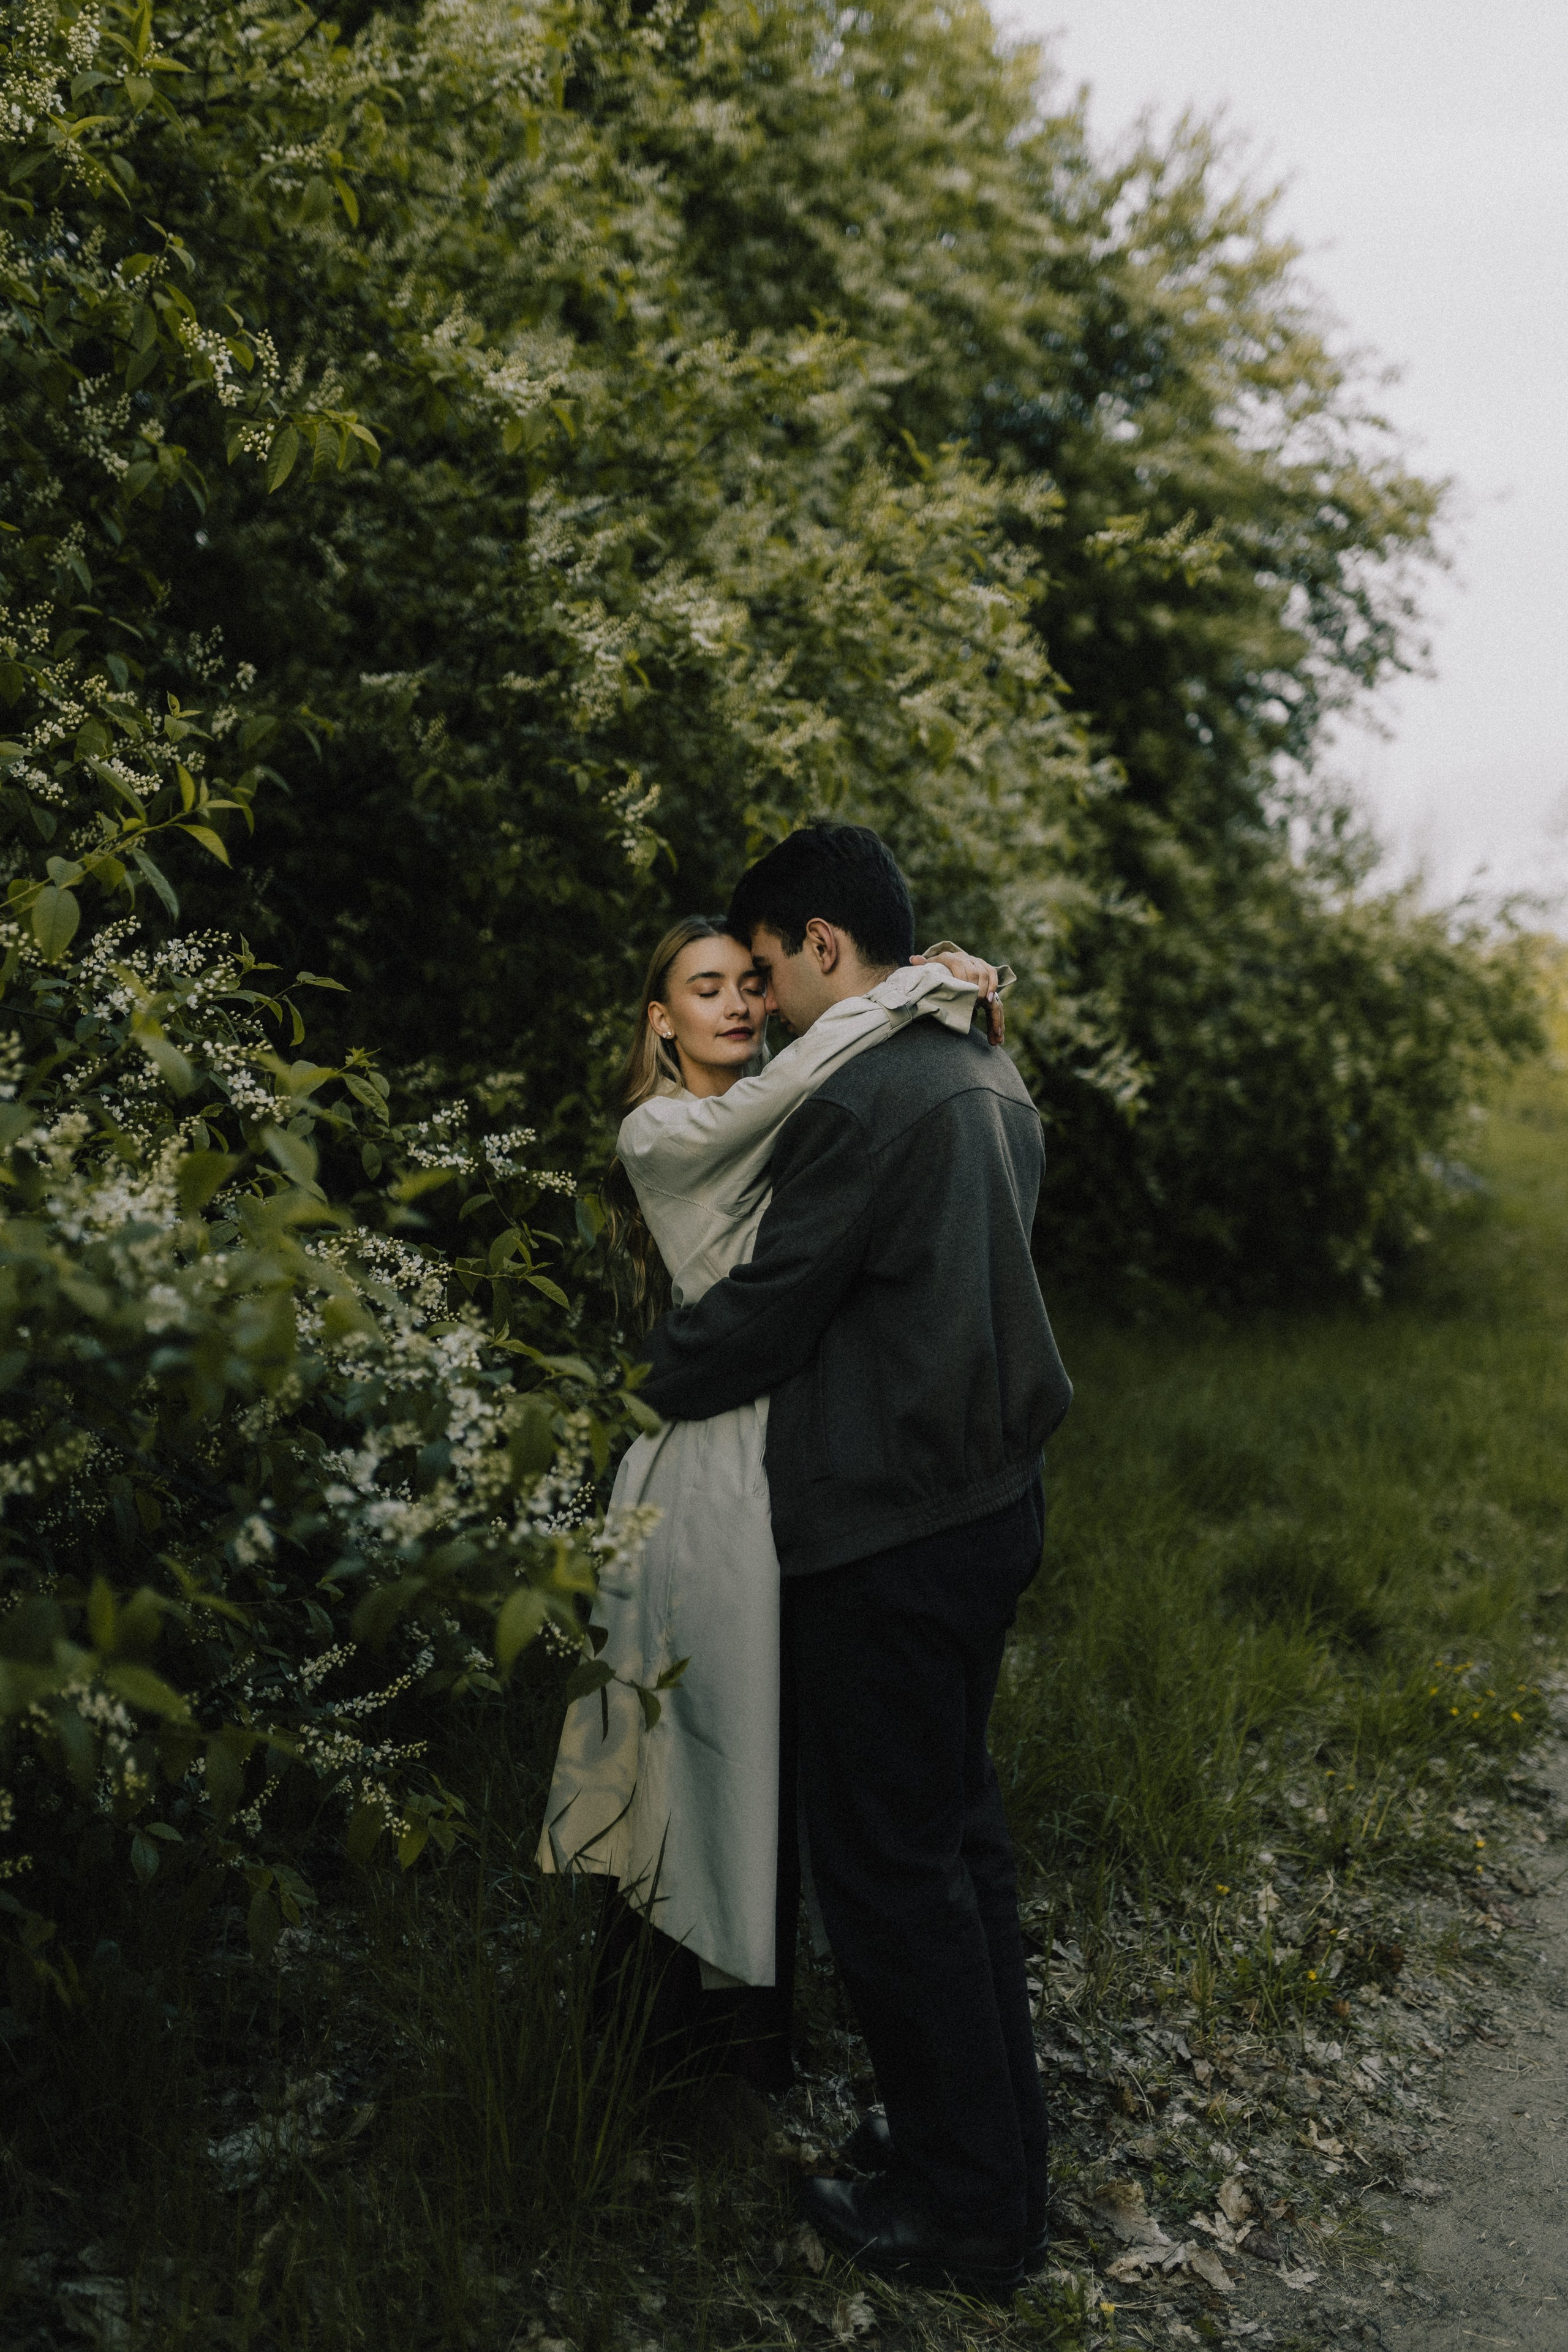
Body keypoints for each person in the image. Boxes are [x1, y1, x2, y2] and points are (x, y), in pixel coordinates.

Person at [638, 823, 1073, 2301]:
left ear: (822, 943)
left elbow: (767, 1308)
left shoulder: (869, 1097)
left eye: (764, 967)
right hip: (988, 1505)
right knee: (956, 1849)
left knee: (888, 1872)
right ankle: (990, 2156)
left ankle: (964, 2218)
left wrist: (620, 1395)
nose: (758, 1001)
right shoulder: (982, 1066)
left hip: (892, 1529)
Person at [535, 908, 1003, 2094]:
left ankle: (742, 2039)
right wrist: (910, 990)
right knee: (694, 1735)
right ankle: (661, 2043)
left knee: (756, 1743)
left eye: (752, 981)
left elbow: (839, 1091)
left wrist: (931, 993)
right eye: (707, 989)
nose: (743, 1003)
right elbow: (809, 1073)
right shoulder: (662, 1128)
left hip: (774, 1442)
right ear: (660, 1021)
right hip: (704, 1463)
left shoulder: (782, 1104)